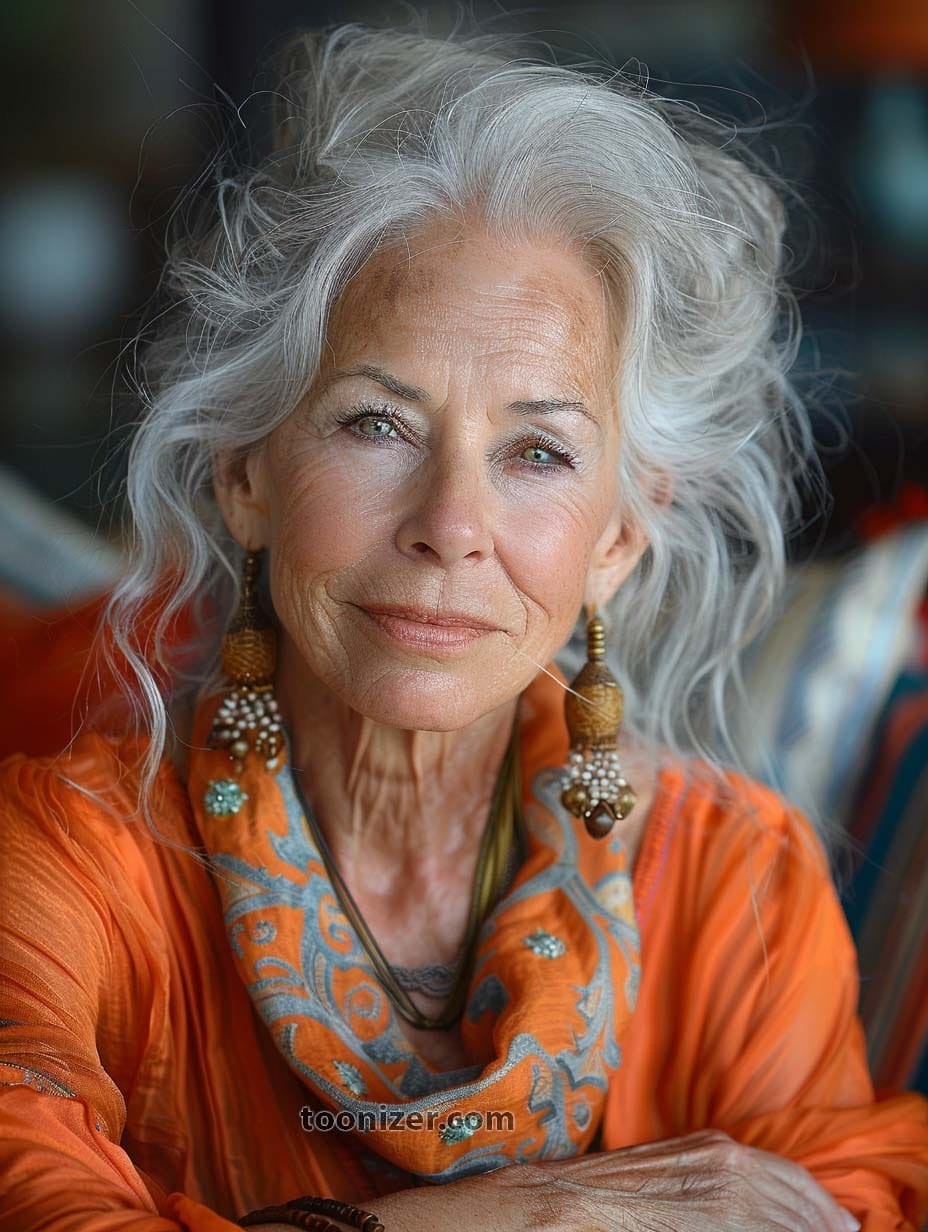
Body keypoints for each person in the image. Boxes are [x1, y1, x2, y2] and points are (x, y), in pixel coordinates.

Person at [1, 21, 926, 1232]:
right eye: (375, 422)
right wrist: (527, 1212)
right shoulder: (71, 864)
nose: (450, 525)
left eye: (536, 451)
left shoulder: (730, 881)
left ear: (617, 537)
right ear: (245, 475)